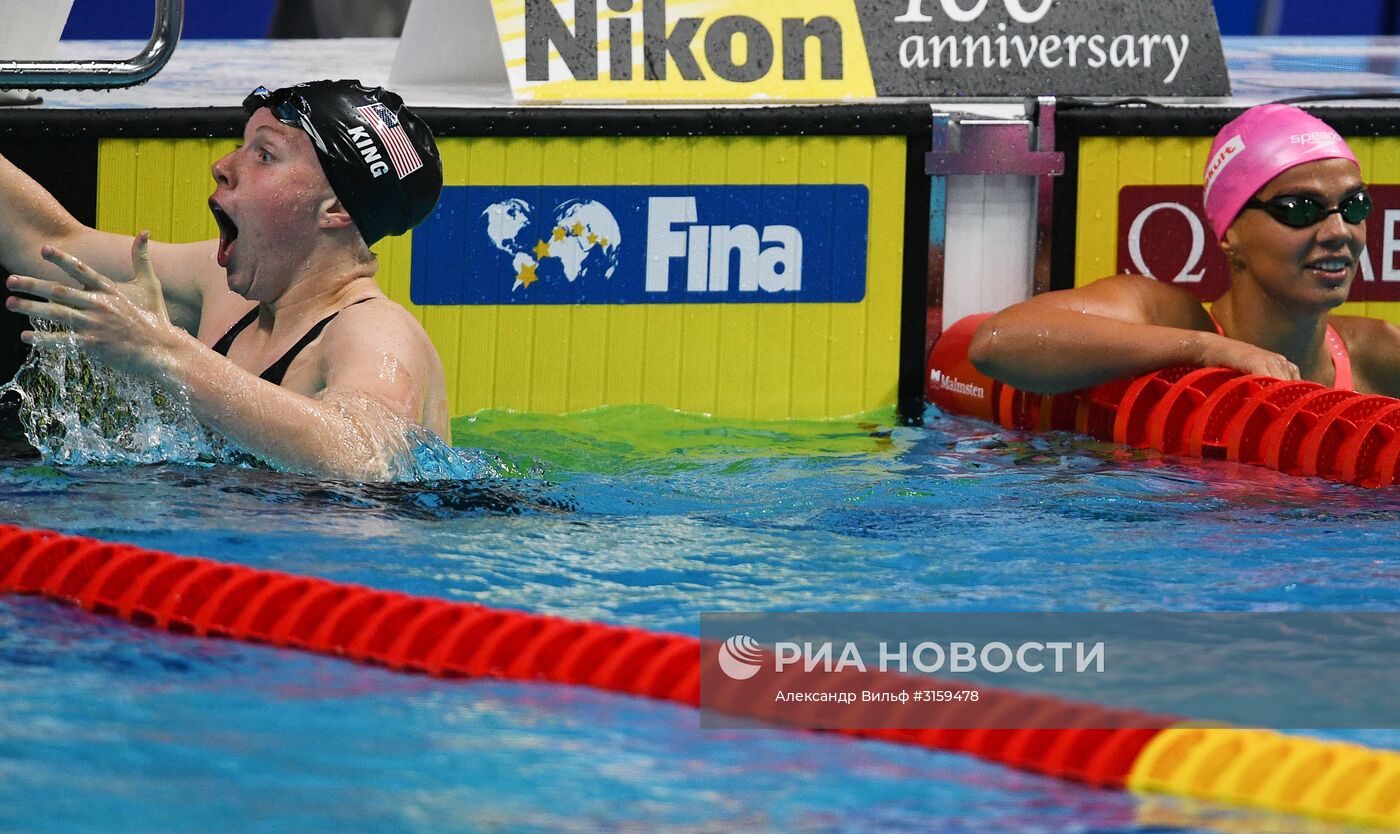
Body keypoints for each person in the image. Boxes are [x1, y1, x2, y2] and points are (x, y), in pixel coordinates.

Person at [0, 79, 449, 479]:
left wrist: (164, 352)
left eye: (265, 154)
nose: (222, 166)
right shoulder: (222, 290)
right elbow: (45, 240)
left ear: (335, 209)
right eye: (243, 144)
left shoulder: (375, 333)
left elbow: (367, 457)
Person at [968, 103, 1400, 398]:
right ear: (1230, 233)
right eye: (1300, 209)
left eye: (1353, 205)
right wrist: (1210, 350)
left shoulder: (1379, 356)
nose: (1338, 231)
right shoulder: (1164, 316)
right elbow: (997, 342)